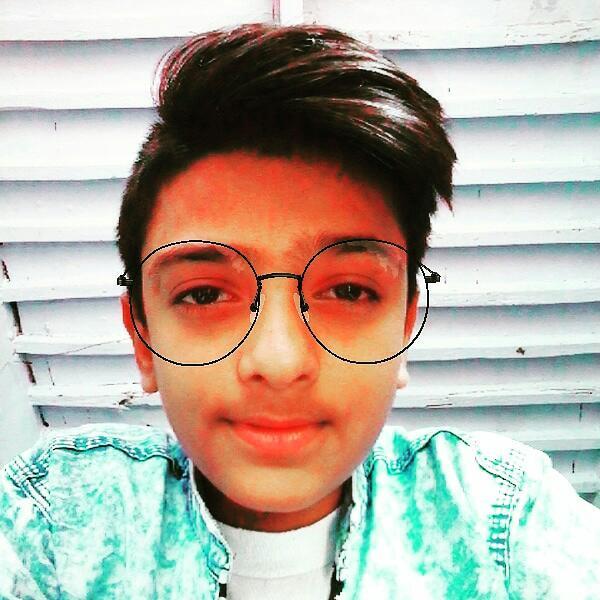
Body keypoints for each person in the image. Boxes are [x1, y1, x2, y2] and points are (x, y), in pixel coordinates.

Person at [1, 22, 599, 600]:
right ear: (141, 336)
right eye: (205, 294)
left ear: (404, 327)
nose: (280, 362)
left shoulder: (504, 519)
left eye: (349, 291)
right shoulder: (53, 522)